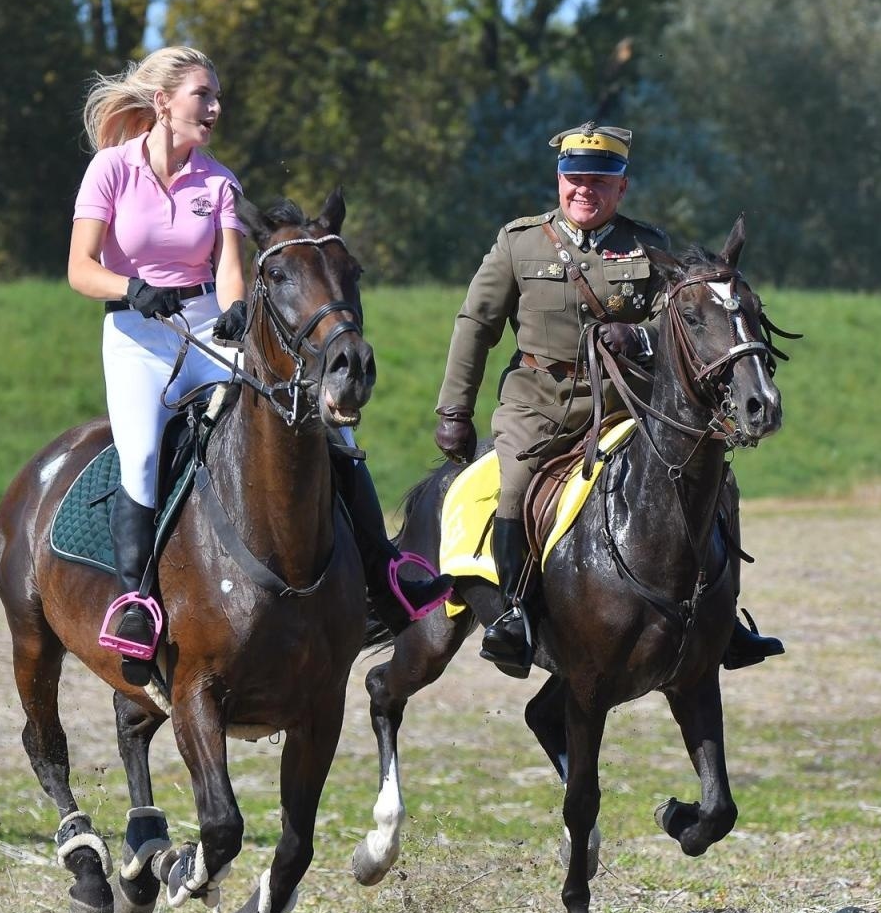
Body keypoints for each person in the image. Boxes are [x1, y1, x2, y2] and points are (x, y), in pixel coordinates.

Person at [67, 46, 449, 673]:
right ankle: (135, 602)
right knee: (139, 453)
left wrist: (237, 309)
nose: (214, 108)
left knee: (309, 421)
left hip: (208, 329)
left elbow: (227, 270)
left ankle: (385, 570)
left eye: (217, 97)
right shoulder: (110, 170)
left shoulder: (219, 181)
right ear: (164, 102)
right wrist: (130, 287)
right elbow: (80, 269)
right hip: (138, 336)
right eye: (203, 96)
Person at [433, 121, 785, 676]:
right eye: (574, 178)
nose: (584, 190)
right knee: (515, 487)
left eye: (600, 180)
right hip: (539, 404)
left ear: (621, 187)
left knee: (714, 478)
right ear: (559, 179)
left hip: (628, 403)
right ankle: (515, 619)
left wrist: (638, 337)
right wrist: (454, 410)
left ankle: (724, 621)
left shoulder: (649, 247)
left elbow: (683, 324)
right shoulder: (519, 243)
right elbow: (476, 324)